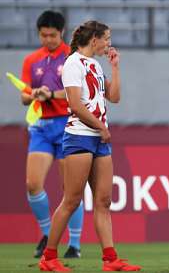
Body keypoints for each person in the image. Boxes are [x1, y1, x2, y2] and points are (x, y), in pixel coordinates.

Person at [38, 21, 141, 272]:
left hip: (97, 139)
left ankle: (110, 259)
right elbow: (75, 104)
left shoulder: (94, 64)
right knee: (72, 200)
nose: (109, 43)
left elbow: (114, 97)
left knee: (103, 201)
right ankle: (49, 258)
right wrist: (102, 127)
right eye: (106, 38)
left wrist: (115, 68)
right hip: (80, 136)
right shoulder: (73, 63)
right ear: (94, 39)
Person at [20, 10, 84, 259]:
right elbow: (24, 96)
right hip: (41, 127)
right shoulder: (31, 60)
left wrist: (51, 94)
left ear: (62, 33)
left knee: (71, 188)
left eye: (53, 35)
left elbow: (76, 94)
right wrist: (34, 94)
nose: (48, 40)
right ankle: (47, 234)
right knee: (33, 184)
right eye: (44, 35)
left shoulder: (73, 58)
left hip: (68, 125)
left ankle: (74, 244)